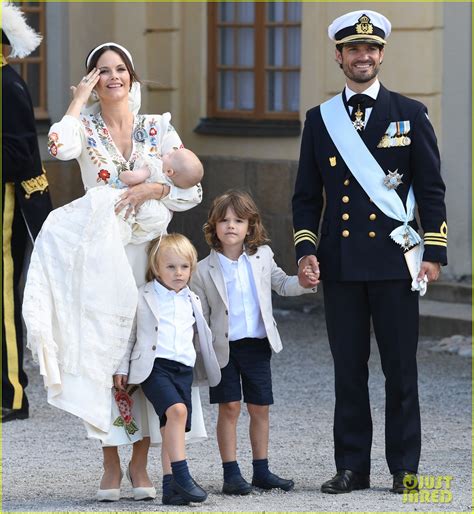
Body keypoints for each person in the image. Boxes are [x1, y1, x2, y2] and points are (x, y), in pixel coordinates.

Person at [22, 42, 203, 502]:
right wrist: (77, 100)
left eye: (119, 68)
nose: (113, 76)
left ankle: (141, 461)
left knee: (148, 354)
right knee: (106, 356)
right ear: (92, 80)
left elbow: (191, 186)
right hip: (102, 261)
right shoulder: (82, 125)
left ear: (131, 76)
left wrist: (154, 189)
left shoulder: (156, 127)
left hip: (150, 259)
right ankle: (109, 461)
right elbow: (58, 148)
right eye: (102, 71)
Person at [292, 10, 447, 494]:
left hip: (396, 263)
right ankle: (352, 468)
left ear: (381, 54)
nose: (364, 56)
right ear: (339, 56)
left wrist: (434, 252)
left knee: (401, 371)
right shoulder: (320, 121)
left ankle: (406, 469)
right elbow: (305, 197)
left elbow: (431, 188)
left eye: (372, 49)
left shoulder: (410, 113)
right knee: (348, 372)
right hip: (340, 264)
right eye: (354, 49)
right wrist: (305, 250)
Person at [191, 190, 317, 495]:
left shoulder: (262, 257)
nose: (231, 226)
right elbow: (200, 317)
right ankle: (231, 473)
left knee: (260, 407)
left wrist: (302, 282)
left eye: (238, 220)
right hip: (225, 348)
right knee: (230, 407)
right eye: (224, 221)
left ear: (251, 226)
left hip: (257, 345)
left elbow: (282, 285)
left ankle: (261, 470)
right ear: (213, 227)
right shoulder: (202, 270)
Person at [114, 233, 221, 505]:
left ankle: (171, 488)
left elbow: (201, 334)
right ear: (156, 268)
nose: (178, 273)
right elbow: (131, 335)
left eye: (184, 267)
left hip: (182, 368)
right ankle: (183, 476)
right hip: (154, 367)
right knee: (177, 411)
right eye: (171, 267)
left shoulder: (192, 299)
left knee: (171, 427)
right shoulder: (146, 295)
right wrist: (121, 367)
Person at [1, 1, 53, 423]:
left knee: (2, 299)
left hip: (4, 203)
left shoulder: (8, 85)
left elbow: (20, 154)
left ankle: (12, 394)